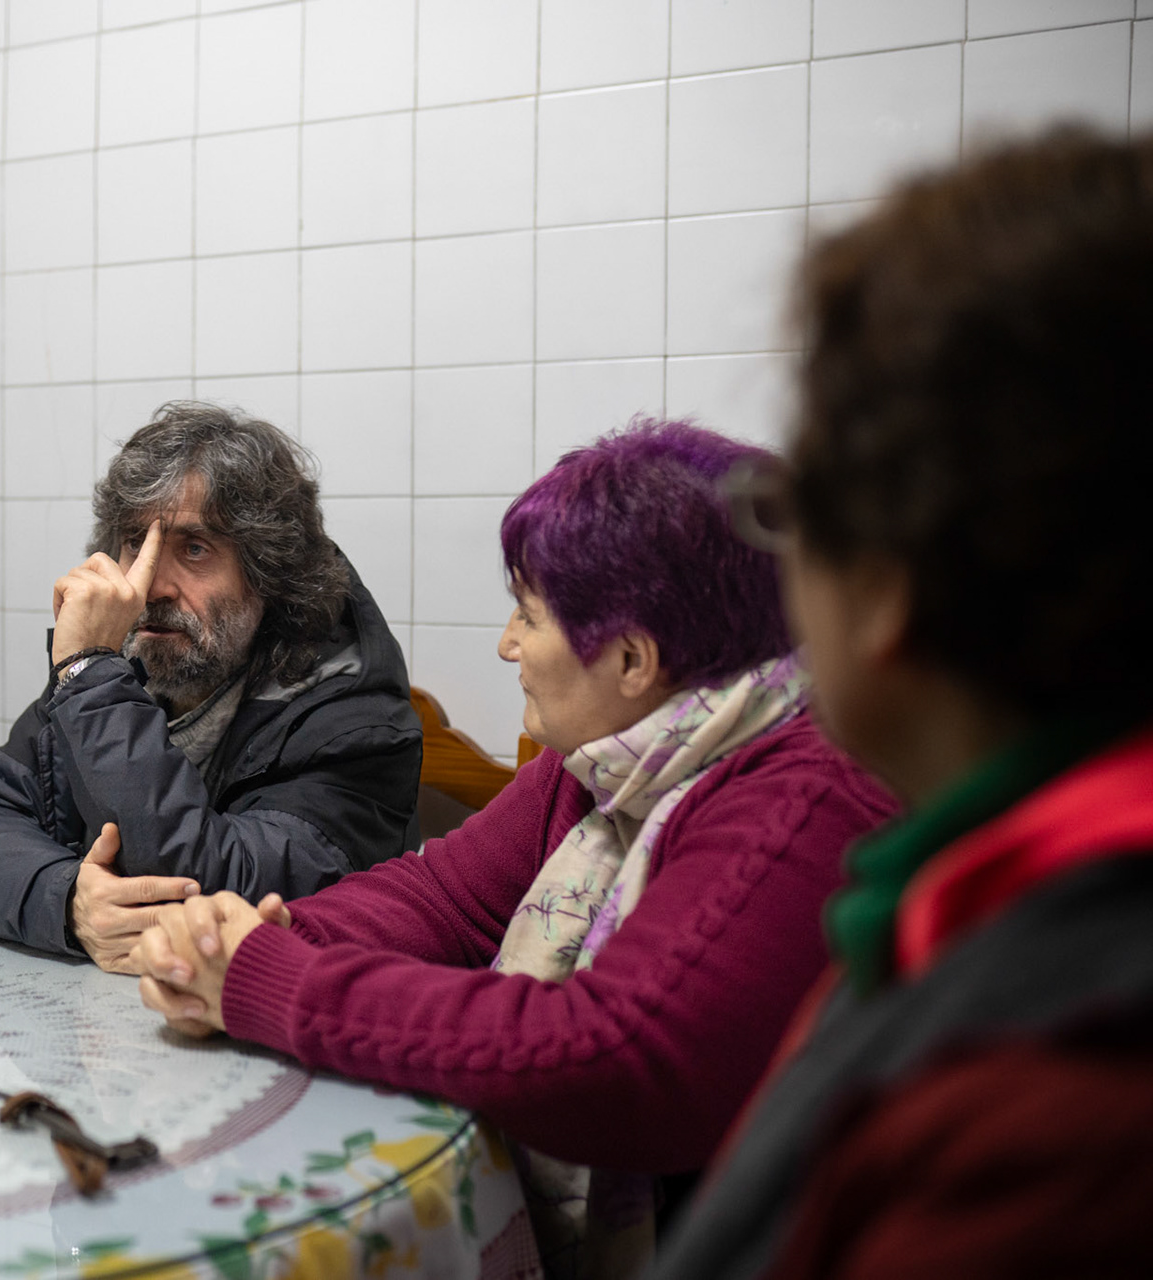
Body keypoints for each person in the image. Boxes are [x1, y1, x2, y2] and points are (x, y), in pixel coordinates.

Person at [134, 419, 897, 1279]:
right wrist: (262, 939)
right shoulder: (612, 759)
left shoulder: (798, 800)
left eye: (529, 617)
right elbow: (444, 899)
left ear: (635, 659)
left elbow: (605, 1061)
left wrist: (268, 981)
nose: (507, 646)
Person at [652, 131, 1153, 1279]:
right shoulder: (979, 892)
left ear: (887, 585)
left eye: (790, 503)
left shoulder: (1063, 1111)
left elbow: (631, 1048)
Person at [0, 401, 422, 972]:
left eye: (193, 549)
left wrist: (87, 671)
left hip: (268, 1033)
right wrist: (65, 899)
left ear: (269, 575)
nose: (151, 585)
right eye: (137, 543)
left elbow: (200, 888)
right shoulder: (121, 666)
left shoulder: (354, 720)